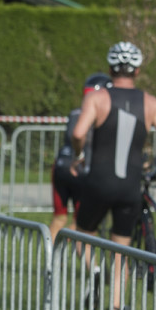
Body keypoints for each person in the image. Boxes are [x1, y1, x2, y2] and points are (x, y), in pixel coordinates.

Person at [71, 41, 156, 310]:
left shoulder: (97, 98)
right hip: (130, 188)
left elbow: (79, 132)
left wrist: (78, 154)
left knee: (82, 233)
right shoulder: (151, 102)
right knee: (121, 253)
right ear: (138, 70)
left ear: (110, 69)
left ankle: (93, 269)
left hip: (98, 182)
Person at [50, 72, 110, 236]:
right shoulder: (100, 115)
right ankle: (90, 261)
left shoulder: (75, 113)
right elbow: (80, 136)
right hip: (81, 168)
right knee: (81, 223)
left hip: (61, 165)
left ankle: (51, 259)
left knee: (59, 218)